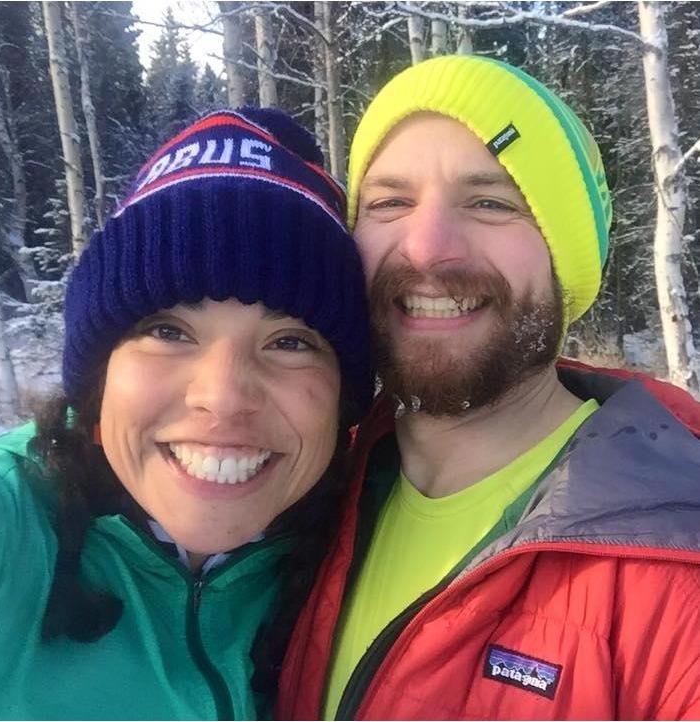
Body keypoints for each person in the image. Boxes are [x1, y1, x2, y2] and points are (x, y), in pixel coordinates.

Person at [277, 55, 700, 720]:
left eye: (490, 202)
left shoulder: (677, 567)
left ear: (566, 262)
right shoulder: (302, 488)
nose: (428, 248)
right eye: (390, 201)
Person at [0, 108, 372, 719]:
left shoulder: (368, 549)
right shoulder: (1, 525)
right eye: (168, 330)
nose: (222, 395)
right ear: (98, 378)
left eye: (290, 342)